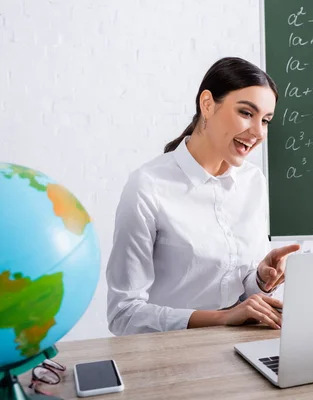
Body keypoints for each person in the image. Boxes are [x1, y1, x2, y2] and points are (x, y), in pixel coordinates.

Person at [106, 57, 300, 336]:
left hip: (239, 343)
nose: (258, 132)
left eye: (266, 120)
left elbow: (241, 289)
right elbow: (123, 315)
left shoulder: (252, 181)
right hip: (171, 352)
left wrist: (260, 278)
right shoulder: (148, 187)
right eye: (246, 113)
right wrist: (222, 318)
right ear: (207, 104)